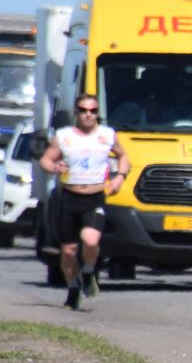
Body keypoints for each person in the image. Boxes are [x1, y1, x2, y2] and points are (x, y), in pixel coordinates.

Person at [38, 94, 130, 310]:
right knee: (68, 251)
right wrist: (54, 167)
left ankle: (88, 271)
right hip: (69, 198)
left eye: (93, 111)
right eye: (83, 110)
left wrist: (119, 177)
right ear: (76, 112)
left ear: (98, 113)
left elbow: (123, 157)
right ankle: (73, 289)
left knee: (90, 240)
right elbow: (45, 159)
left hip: (95, 197)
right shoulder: (64, 136)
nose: (88, 114)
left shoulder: (107, 135)